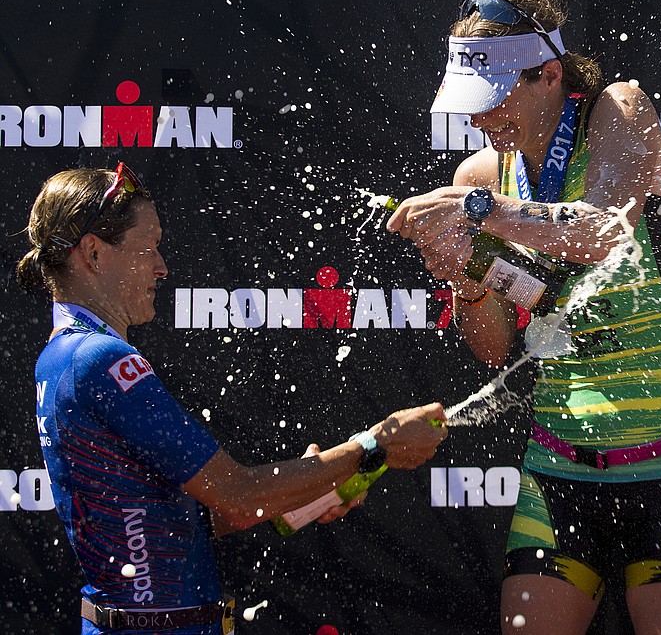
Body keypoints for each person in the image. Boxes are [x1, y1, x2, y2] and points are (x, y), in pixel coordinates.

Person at [385, 0, 661, 635]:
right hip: (558, 466)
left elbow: (603, 230)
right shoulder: (479, 175)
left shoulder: (618, 108)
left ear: (549, 75)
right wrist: (470, 282)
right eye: (471, 107)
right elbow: (490, 348)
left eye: (493, 101)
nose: (481, 122)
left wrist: (476, 214)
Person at [17, 164, 448, 634]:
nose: (162, 266)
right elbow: (239, 498)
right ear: (94, 253)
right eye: (148, 248)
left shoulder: (69, 355)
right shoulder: (97, 358)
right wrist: (373, 445)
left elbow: (177, 518)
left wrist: (309, 488)